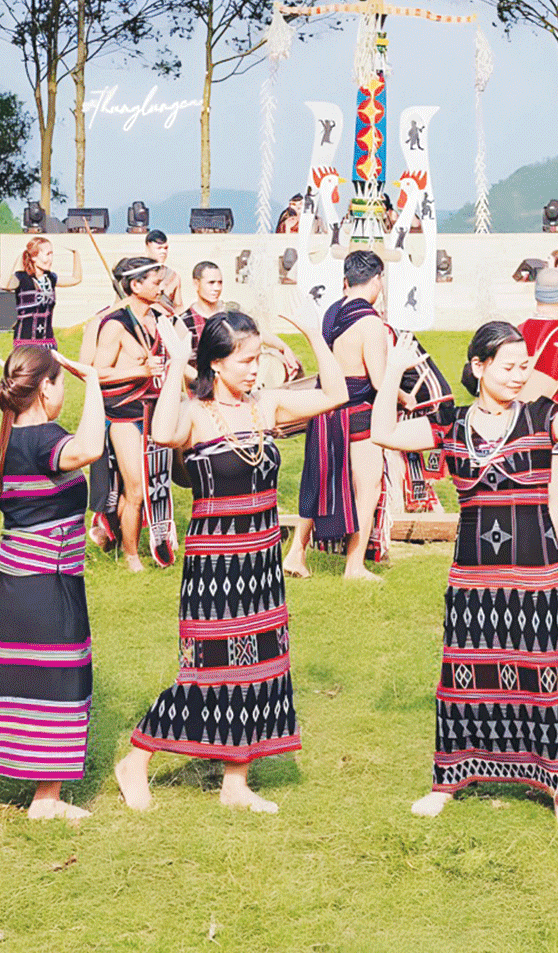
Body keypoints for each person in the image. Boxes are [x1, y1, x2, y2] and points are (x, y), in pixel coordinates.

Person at [373, 319, 558, 826]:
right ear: (478, 367)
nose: (519, 375)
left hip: (536, 572)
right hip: (472, 578)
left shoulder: (543, 416)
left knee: (543, 676)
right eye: (508, 366)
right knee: (463, 678)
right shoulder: (451, 425)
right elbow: (383, 433)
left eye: (524, 366)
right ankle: (449, 780)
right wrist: (393, 370)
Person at [113, 307, 348, 815]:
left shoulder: (268, 407)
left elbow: (337, 395)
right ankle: (136, 759)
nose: (254, 369)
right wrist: (177, 361)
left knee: (261, 669)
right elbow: (162, 433)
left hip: (262, 560)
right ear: (216, 364)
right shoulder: (196, 414)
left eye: (258, 357)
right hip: (214, 566)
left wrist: (313, 336)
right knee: (206, 671)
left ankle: (235, 781)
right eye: (245, 360)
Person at [0, 345, 106, 820]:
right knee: (59, 683)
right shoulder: (43, 439)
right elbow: (91, 448)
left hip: (5, 585)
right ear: (44, 388)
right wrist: (95, 382)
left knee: (8, 683)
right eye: (59, 384)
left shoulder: (8, 439)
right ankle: (46, 798)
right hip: (46, 584)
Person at [286, 250, 399, 581]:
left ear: (347, 280)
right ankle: (354, 564)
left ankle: (296, 554)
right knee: (368, 487)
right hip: (358, 412)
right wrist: (405, 389)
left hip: (326, 408)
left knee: (319, 482)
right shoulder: (371, 322)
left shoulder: (333, 311)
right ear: (377, 279)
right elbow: (379, 380)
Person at [83, 256, 173, 572]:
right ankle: (132, 558)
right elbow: (95, 371)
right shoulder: (115, 325)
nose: (161, 286)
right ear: (135, 286)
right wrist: (140, 369)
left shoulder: (160, 319)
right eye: (155, 281)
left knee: (151, 488)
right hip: (123, 416)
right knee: (135, 489)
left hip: (155, 413)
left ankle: (118, 539)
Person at [7, 237, 59, 349]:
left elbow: (76, 279)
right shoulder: (21, 278)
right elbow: (3, 285)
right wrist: (17, 259)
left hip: (48, 342)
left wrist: (76, 253)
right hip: (25, 342)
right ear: (34, 257)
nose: (51, 259)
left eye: (52, 254)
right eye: (47, 254)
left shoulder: (51, 278)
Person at [183, 260, 226, 337]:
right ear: (196, 284)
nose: (217, 288)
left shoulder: (230, 316)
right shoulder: (184, 322)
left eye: (220, 282)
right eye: (211, 282)